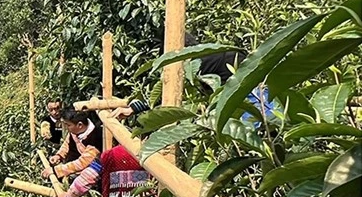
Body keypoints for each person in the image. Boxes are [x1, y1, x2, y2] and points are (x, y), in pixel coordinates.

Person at [111, 33, 273, 123]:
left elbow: (171, 91)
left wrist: (136, 107)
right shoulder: (212, 53)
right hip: (262, 93)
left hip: (251, 100)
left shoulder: (196, 62)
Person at [42, 108, 103, 180]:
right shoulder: (75, 131)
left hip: (86, 175)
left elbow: (82, 163)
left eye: (68, 125)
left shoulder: (95, 138)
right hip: (72, 167)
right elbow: (67, 143)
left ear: (80, 125)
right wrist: (59, 155)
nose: (66, 128)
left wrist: (56, 170)